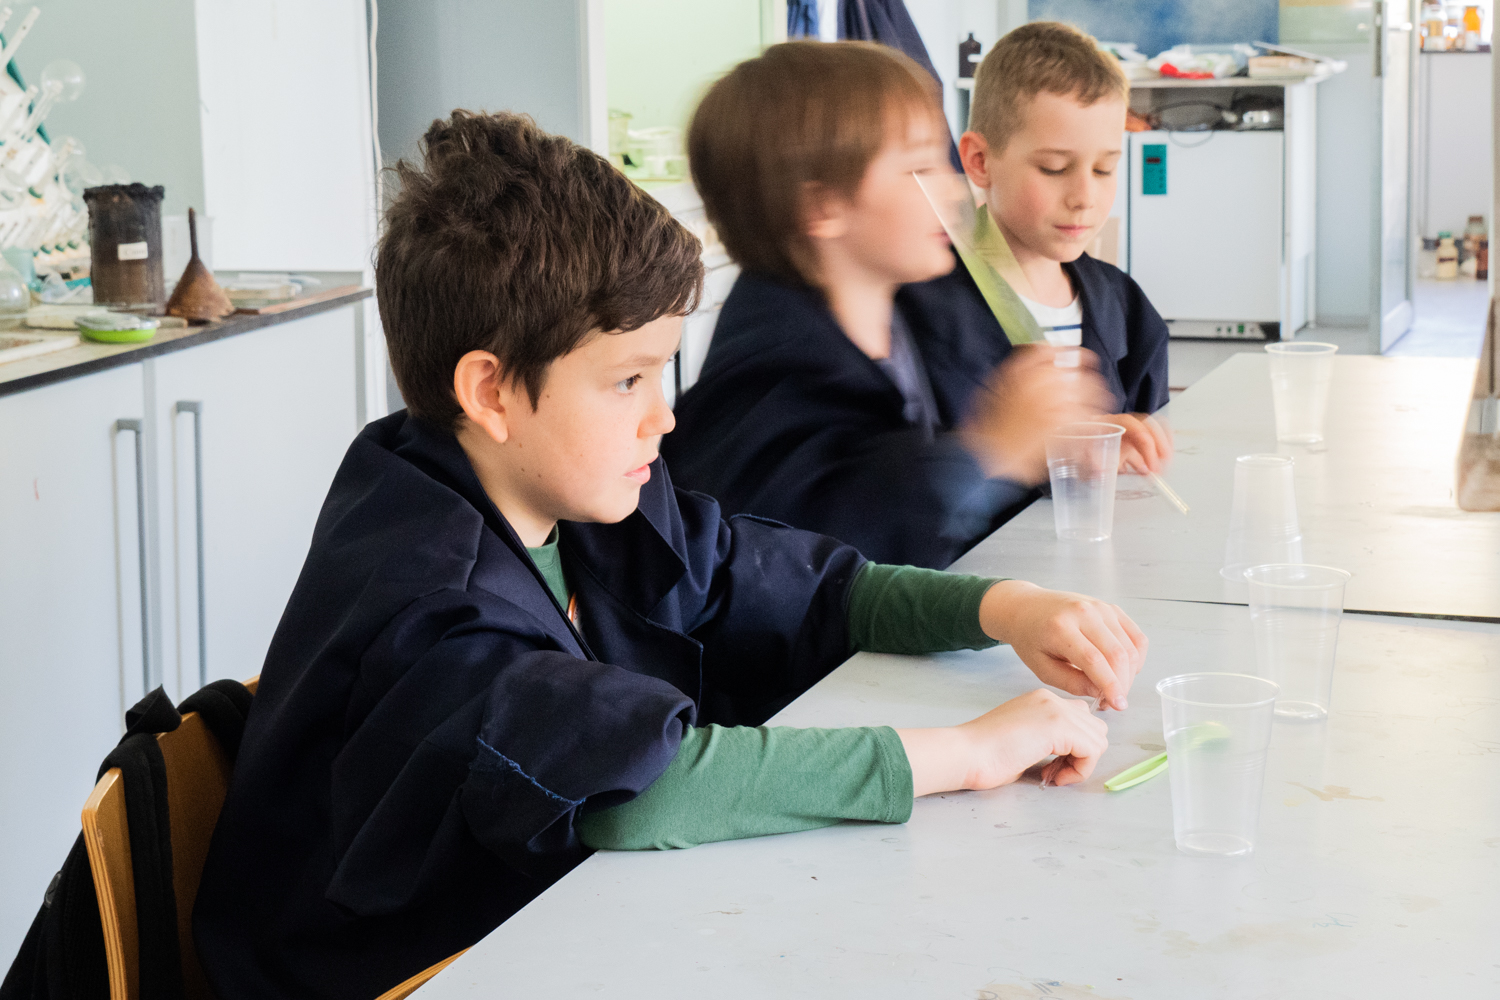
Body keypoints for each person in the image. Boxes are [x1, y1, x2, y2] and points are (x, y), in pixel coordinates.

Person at [191, 110, 1147, 1000]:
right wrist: (970, 752)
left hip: (540, 932)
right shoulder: (426, 600)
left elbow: (795, 586)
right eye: (628, 381)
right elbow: (640, 792)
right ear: (489, 391)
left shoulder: (574, 490)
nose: (665, 416)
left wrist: (1002, 607)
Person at [662, 41, 1156, 570]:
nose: (953, 192)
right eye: (920, 169)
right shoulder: (769, 364)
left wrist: (1053, 447)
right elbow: (807, 547)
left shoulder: (886, 324)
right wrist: (989, 452)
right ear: (823, 207)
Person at [900, 20, 1172, 465]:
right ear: (980, 161)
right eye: (1054, 168)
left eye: (1104, 169)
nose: (1085, 197)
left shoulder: (1127, 309)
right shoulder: (921, 307)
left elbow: (1146, 444)